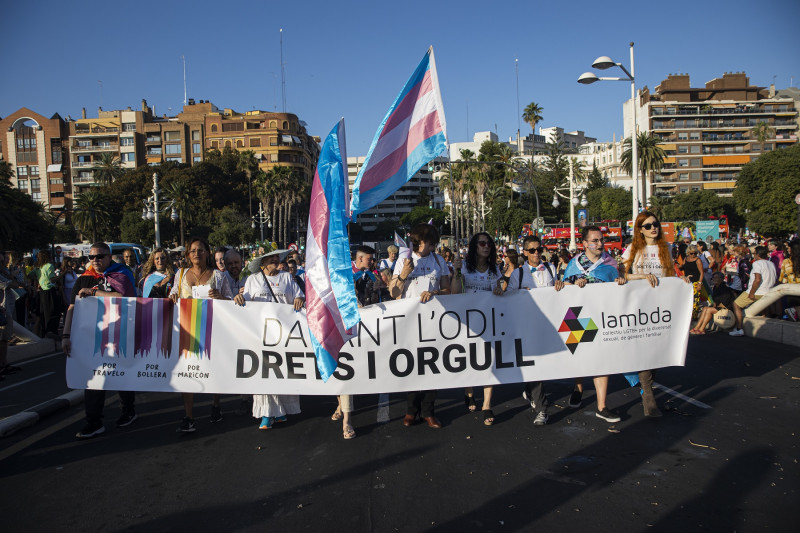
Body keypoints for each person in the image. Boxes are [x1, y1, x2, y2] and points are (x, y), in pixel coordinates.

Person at [62, 243, 138, 439]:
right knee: (93, 377)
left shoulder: (121, 274)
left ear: (109, 256)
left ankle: (128, 410)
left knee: (123, 374)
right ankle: (93, 421)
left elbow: (124, 297)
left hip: (121, 333)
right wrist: (66, 335)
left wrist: (95, 293)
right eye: (92, 257)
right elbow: (72, 307)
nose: (95, 260)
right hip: (91, 337)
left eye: (100, 256)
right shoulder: (84, 278)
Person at [558, 226, 626, 423]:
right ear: (585, 243)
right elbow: (564, 288)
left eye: (601, 240)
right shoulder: (573, 264)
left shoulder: (610, 263)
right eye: (594, 240)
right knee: (582, 357)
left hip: (602, 317)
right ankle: (578, 386)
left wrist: (620, 282)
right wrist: (573, 284)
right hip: (579, 317)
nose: (599, 244)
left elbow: (618, 287)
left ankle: (601, 406)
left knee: (601, 360)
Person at [233, 248, 305, 431]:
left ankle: (281, 410)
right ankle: (266, 413)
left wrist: (299, 299)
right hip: (260, 333)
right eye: (270, 258)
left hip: (283, 332)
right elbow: (246, 300)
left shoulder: (287, 277)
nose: (275, 260)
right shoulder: (253, 279)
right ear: (262, 262)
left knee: (281, 369)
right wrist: (239, 297)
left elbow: (298, 295)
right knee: (264, 371)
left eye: (276, 257)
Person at [389, 223, 451, 429]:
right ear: (421, 241)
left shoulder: (438, 260)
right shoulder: (403, 261)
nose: (432, 246)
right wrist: (404, 274)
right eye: (430, 243)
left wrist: (434, 293)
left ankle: (428, 412)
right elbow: (394, 293)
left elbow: (447, 289)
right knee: (413, 368)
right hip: (409, 322)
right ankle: (410, 411)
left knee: (433, 367)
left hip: (434, 321)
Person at [169, 237, 234, 432]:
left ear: (208, 253)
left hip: (213, 329)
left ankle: (216, 404)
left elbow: (230, 300)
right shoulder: (180, 274)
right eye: (193, 250)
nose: (197, 253)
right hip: (187, 330)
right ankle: (188, 416)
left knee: (213, 369)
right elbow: (174, 292)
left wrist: (220, 297)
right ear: (188, 254)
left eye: (201, 250)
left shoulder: (219, 276)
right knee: (187, 373)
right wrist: (172, 296)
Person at [622, 211, 681, 418]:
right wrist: (643, 276)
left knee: (657, 352)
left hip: (661, 306)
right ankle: (648, 396)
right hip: (640, 306)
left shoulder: (667, 248)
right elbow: (623, 274)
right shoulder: (633, 248)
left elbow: (671, 275)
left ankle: (647, 388)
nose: (653, 228)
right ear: (640, 229)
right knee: (646, 350)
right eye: (647, 226)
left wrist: (684, 282)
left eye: (655, 224)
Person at [453, 232, 505, 426]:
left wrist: (500, 290)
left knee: (488, 362)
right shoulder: (465, 267)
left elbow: (500, 288)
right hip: (469, 322)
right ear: (475, 246)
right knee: (470, 360)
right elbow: (454, 292)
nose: (486, 246)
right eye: (482, 243)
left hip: (490, 321)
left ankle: (487, 405)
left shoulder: (494, 269)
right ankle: (469, 391)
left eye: (489, 244)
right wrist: (457, 273)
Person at [503, 235, 556, 425]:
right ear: (525, 253)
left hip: (548, 325)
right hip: (526, 326)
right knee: (536, 366)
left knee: (542, 366)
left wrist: (560, 285)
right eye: (532, 250)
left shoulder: (551, 268)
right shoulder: (518, 273)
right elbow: (509, 297)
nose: (536, 253)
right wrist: (518, 292)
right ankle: (542, 409)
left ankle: (529, 389)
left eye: (539, 250)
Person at [729, 245, 777, 337]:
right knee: (763, 310)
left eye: (754, 253)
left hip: (758, 291)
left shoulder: (757, 263)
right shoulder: (771, 263)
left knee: (736, 304)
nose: (753, 255)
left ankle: (739, 328)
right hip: (769, 291)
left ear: (758, 254)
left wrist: (751, 293)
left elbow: (758, 279)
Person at [34, 250, 60, 337]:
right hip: (49, 289)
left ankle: (44, 331)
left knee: (43, 313)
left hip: (42, 291)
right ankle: (52, 331)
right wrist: (62, 274)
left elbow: (30, 275)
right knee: (52, 311)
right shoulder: (49, 266)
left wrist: (39, 282)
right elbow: (52, 279)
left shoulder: (38, 267)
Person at [779, 239, 800, 321]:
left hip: (793, 294)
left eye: (788, 248)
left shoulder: (786, 262)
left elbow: (783, 280)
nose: (787, 250)